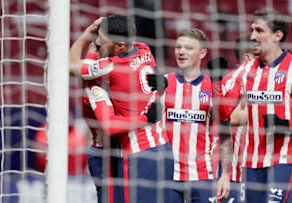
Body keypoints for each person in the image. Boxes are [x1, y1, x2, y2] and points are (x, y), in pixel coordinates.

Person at [69, 15, 173, 203]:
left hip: (136, 153)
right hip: (160, 148)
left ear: (120, 46)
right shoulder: (144, 49)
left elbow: (70, 65)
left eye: (103, 40)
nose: (99, 42)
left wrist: (88, 33)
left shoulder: (110, 67)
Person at [231, 9, 292, 202]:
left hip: (282, 159)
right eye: (252, 30)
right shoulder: (245, 70)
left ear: (277, 35)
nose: (252, 36)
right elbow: (226, 110)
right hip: (249, 160)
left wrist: (287, 125)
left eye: (259, 30)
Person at [148, 28, 223, 202]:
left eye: (188, 48)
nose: (181, 52)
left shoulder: (213, 87)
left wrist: (223, 173)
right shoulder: (162, 83)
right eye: (178, 47)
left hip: (203, 175)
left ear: (203, 53)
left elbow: (225, 128)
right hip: (167, 174)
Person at [215, 34, 256, 203]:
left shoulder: (262, 80)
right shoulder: (236, 79)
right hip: (234, 173)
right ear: (248, 57)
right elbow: (227, 117)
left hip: (252, 170)